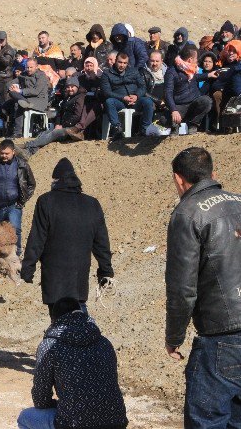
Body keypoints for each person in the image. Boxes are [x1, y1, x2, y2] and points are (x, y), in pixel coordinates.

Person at [165, 147, 241, 428]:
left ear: (178, 179)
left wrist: (173, 336)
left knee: (205, 420)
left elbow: (182, 288)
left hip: (220, 335)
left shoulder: (187, 213)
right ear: (213, 173)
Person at [21, 158, 114, 320]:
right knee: (79, 313)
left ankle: (64, 344)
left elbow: (37, 238)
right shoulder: (92, 204)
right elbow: (101, 242)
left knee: (59, 323)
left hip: (54, 276)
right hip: (79, 276)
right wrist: (106, 271)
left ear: (56, 180)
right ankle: (83, 340)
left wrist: (28, 268)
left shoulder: (46, 201)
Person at [17, 297, 128, 429]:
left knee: (24, 418)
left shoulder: (49, 346)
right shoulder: (104, 342)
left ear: (53, 320)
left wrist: (61, 404)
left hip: (74, 424)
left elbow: (40, 398)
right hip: (116, 422)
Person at [0, 139, 36, 255]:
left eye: (7, 153)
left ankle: (17, 253)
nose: (4, 156)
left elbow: (31, 184)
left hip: (13, 205)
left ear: (13, 152)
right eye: (1, 153)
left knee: (16, 229)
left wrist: (22, 200)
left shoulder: (22, 165)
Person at [22, 77, 89, 157]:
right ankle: (29, 152)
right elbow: (60, 112)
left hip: (72, 128)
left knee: (54, 133)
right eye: (68, 87)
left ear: (77, 87)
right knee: (45, 133)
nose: (70, 89)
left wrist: (63, 125)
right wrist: (57, 124)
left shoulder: (80, 97)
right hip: (62, 126)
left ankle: (27, 145)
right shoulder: (67, 97)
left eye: (72, 87)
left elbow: (77, 116)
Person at [101, 52, 154, 141]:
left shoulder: (134, 71)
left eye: (125, 63)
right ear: (115, 61)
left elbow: (142, 87)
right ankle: (117, 129)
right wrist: (123, 97)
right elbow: (106, 92)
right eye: (120, 62)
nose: (122, 65)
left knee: (148, 101)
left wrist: (136, 96)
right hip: (119, 101)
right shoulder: (107, 74)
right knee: (109, 101)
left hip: (135, 100)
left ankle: (145, 129)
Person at [164, 48, 215, 134]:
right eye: (196, 59)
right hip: (179, 105)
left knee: (207, 101)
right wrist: (174, 110)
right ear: (190, 59)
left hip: (193, 103)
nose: (197, 61)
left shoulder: (191, 69)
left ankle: (193, 124)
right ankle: (175, 129)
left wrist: (209, 75)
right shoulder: (172, 72)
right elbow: (168, 93)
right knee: (165, 119)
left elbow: (195, 77)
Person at [5, 58, 49, 138]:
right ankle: (7, 130)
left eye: (31, 67)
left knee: (18, 104)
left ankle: (18, 132)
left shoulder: (41, 76)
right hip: (26, 98)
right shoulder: (24, 74)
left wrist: (20, 91)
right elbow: (11, 82)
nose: (29, 69)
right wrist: (10, 87)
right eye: (27, 67)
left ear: (36, 66)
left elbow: (36, 91)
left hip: (39, 100)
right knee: (7, 104)